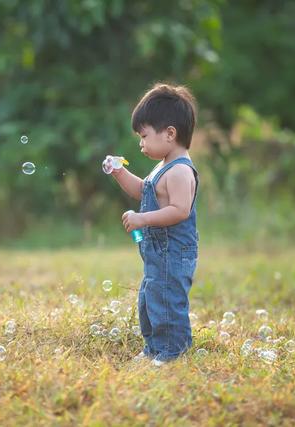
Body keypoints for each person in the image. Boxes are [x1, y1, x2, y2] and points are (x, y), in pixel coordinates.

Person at [109, 83, 199, 366]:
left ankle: (174, 352)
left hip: (174, 253)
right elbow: (143, 191)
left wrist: (142, 219)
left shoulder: (181, 170)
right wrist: (119, 172)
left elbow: (180, 210)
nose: (141, 143)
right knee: (150, 302)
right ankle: (154, 348)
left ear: (170, 134)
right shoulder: (162, 167)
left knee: (168, 303)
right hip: (157, 254)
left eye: (144, 136)